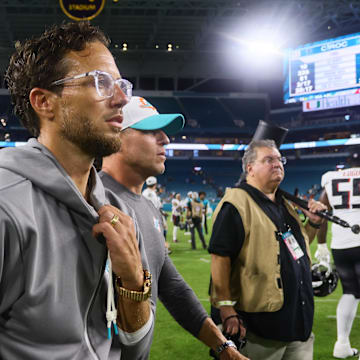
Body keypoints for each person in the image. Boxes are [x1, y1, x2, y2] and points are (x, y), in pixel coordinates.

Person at [1, 22, 153, 359]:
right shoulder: (6, 206)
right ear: (44, 102)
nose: (122, 99)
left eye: (121, 84)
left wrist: (131, 281)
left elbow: (136, 351)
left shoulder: (118, 215)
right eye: (101, 82)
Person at [101, 96, 249, 360]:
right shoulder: (93, 203)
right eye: (152, 132)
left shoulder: (149, 208)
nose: (166, 140)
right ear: (117, 138)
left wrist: (223, 347)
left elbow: (173, 288)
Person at [209, 139, 327, 360]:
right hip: (259, 330)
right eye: (268, 159)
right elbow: (219, 256)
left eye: (279, 159)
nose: (277, 164)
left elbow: (297, 250)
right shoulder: (236, 204)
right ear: (250, 168)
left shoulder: (286, 205)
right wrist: (225, 308)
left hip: (298, 326)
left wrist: (313, 223)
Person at [316, 150, 360, 359]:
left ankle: (342, 344)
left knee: (350, 292)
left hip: (341, 244)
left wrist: (322, 244)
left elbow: (321, 212)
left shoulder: (331, 178)